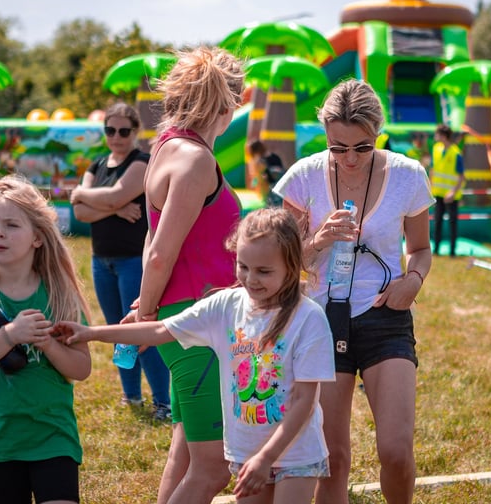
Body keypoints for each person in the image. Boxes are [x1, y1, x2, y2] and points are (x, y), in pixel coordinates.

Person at [54, 208, 336, 504]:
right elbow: (161, 330)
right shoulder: (227, 305)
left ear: (291, 267)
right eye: (243, 266)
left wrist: (267, 457)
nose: (251, 279)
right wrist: (91, 333)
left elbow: (305, 401)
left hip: (296, 454)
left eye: (264, 271)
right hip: (247, 452)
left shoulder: (309, 318)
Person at [273, 79, 433, 504]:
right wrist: (318, 239)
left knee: (396, 452)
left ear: (377, 133)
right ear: (325, 136)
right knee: (333, 458)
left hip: (385, 315)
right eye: (337, 147)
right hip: (320, 321)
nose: (348, 159)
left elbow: (419, 250)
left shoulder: (407, 175)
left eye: (361, 147)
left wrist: (411, 283)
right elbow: (285, 266)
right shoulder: (304, 177)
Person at [124, 46, 245, 504]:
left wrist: (148, 305)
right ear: (228, 101)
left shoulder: (166, 148)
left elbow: (152, 244)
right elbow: (160, 255)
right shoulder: (194, 160)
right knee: (213, 471)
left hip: (188, 318)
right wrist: (148, 313)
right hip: (200, 323)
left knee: (186, 450)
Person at [0, 175, 92, 504]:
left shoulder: (59, 292)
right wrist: (10, 334)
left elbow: (81, 369)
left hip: (52, 433)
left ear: (37, 237)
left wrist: (47, 343)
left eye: (11, 225)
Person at [70, 102, 171, 420]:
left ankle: (163, 403)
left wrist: (96, 197)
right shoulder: (96, 164)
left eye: (123, 131)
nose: (116, 136)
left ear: (135, 132)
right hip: (102, 261)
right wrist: (115, 207)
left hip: (132, 262)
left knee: (141, 333)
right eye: (110, 130)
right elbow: (79, 211)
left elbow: (109, 195)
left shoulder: (141, 161)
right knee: (116, 331)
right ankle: (131, 396)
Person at [430, 123, 465, 257]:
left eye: (437, 134)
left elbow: (462, 176)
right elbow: (433, 169)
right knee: (437, 221)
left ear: (443, 136)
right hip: (438, 193)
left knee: (452, 223)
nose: (435, 136)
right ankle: (436, 250)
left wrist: (453, 192)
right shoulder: (436, 149)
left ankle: (452, 251)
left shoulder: (456, 153)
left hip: (451, 196)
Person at [248, 140, 285, 204]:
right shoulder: (274, 156)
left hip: (271, 188)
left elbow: (260, 179)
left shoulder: (260, 161)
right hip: (280, 187)